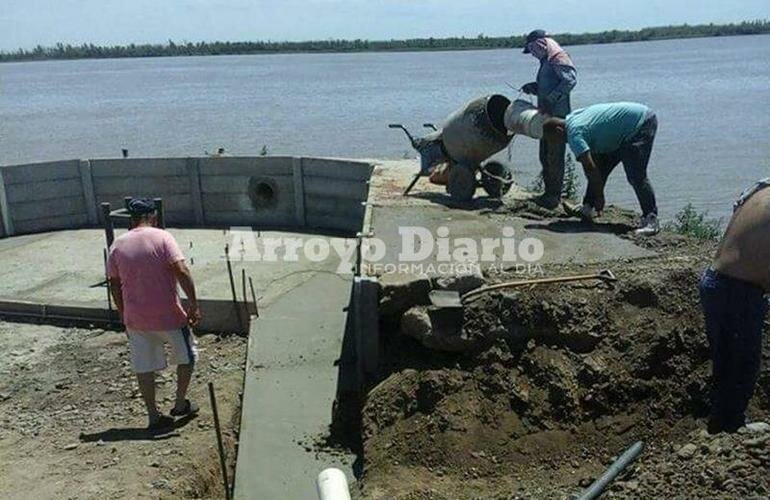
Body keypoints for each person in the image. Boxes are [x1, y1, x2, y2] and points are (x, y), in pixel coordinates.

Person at [108, 198, 202, 431]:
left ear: (131, 219)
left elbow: (114, 283)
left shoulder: (117, 245)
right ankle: (180, 404)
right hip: (169, 315)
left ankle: (152, 415)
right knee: (187, 356)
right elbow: (181, 269)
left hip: (136, 319)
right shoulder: (163, 237)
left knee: (144, 366)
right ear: (154, 217)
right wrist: (193, 304)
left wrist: (123, 312)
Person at [699, 180, 770, 433]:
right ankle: (732, 430)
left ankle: (722, 426)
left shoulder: (761, 189)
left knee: (728, 364)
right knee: (742, 366)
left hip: (718, 283)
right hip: (738, 290)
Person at [541, 102, 660, 235]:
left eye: (553, 139)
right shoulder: (571, 118)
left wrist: (600, 197)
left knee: (636, 175)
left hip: (639, 124)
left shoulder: (574, 134)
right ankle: (587, 208)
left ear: (559, 130)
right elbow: (594, 168)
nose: (554, 143)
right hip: (619, 130)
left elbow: (589, 168)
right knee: (599, 168)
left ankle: (651, 219)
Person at [521, 29, 577, 209]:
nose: (533, 54)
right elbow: (549, 85)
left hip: (558, 117)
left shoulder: (558, 57)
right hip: (545, 117)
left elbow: (570, 81)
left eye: (533, 49)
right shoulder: (546, 61)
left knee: (554, 156)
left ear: (540, 44)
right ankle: (549, 193)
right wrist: (534, 88)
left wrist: (549, 99)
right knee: (544, 156)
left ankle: (554, 197)